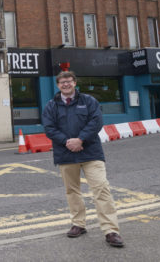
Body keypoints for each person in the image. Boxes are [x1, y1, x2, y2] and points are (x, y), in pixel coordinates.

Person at [41, 71, 124, 248]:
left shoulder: (88, 101)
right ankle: (78, 224)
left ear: (75, 83)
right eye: (62, 82)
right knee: (72, 191)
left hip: (91, 152)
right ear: (58, 85)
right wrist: (67, 142)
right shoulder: (51, 105)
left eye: (69, 81)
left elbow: (96, 121)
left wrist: (80, 140)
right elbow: (49, 128)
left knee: (101, 189)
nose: (66, 84)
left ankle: (111, 230)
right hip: (66, 154)